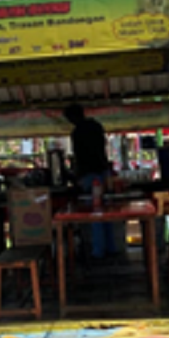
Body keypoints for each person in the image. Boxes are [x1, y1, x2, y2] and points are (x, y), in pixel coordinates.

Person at [63, 103, 117, 261]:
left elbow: (79, 157)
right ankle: (111, 247)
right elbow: (103, 148)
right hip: (103, 171)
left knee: (95, 213)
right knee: (106, 211)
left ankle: (98, 251)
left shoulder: (77, 132)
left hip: (90, 175)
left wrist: (76, 175)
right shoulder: (96, 126)